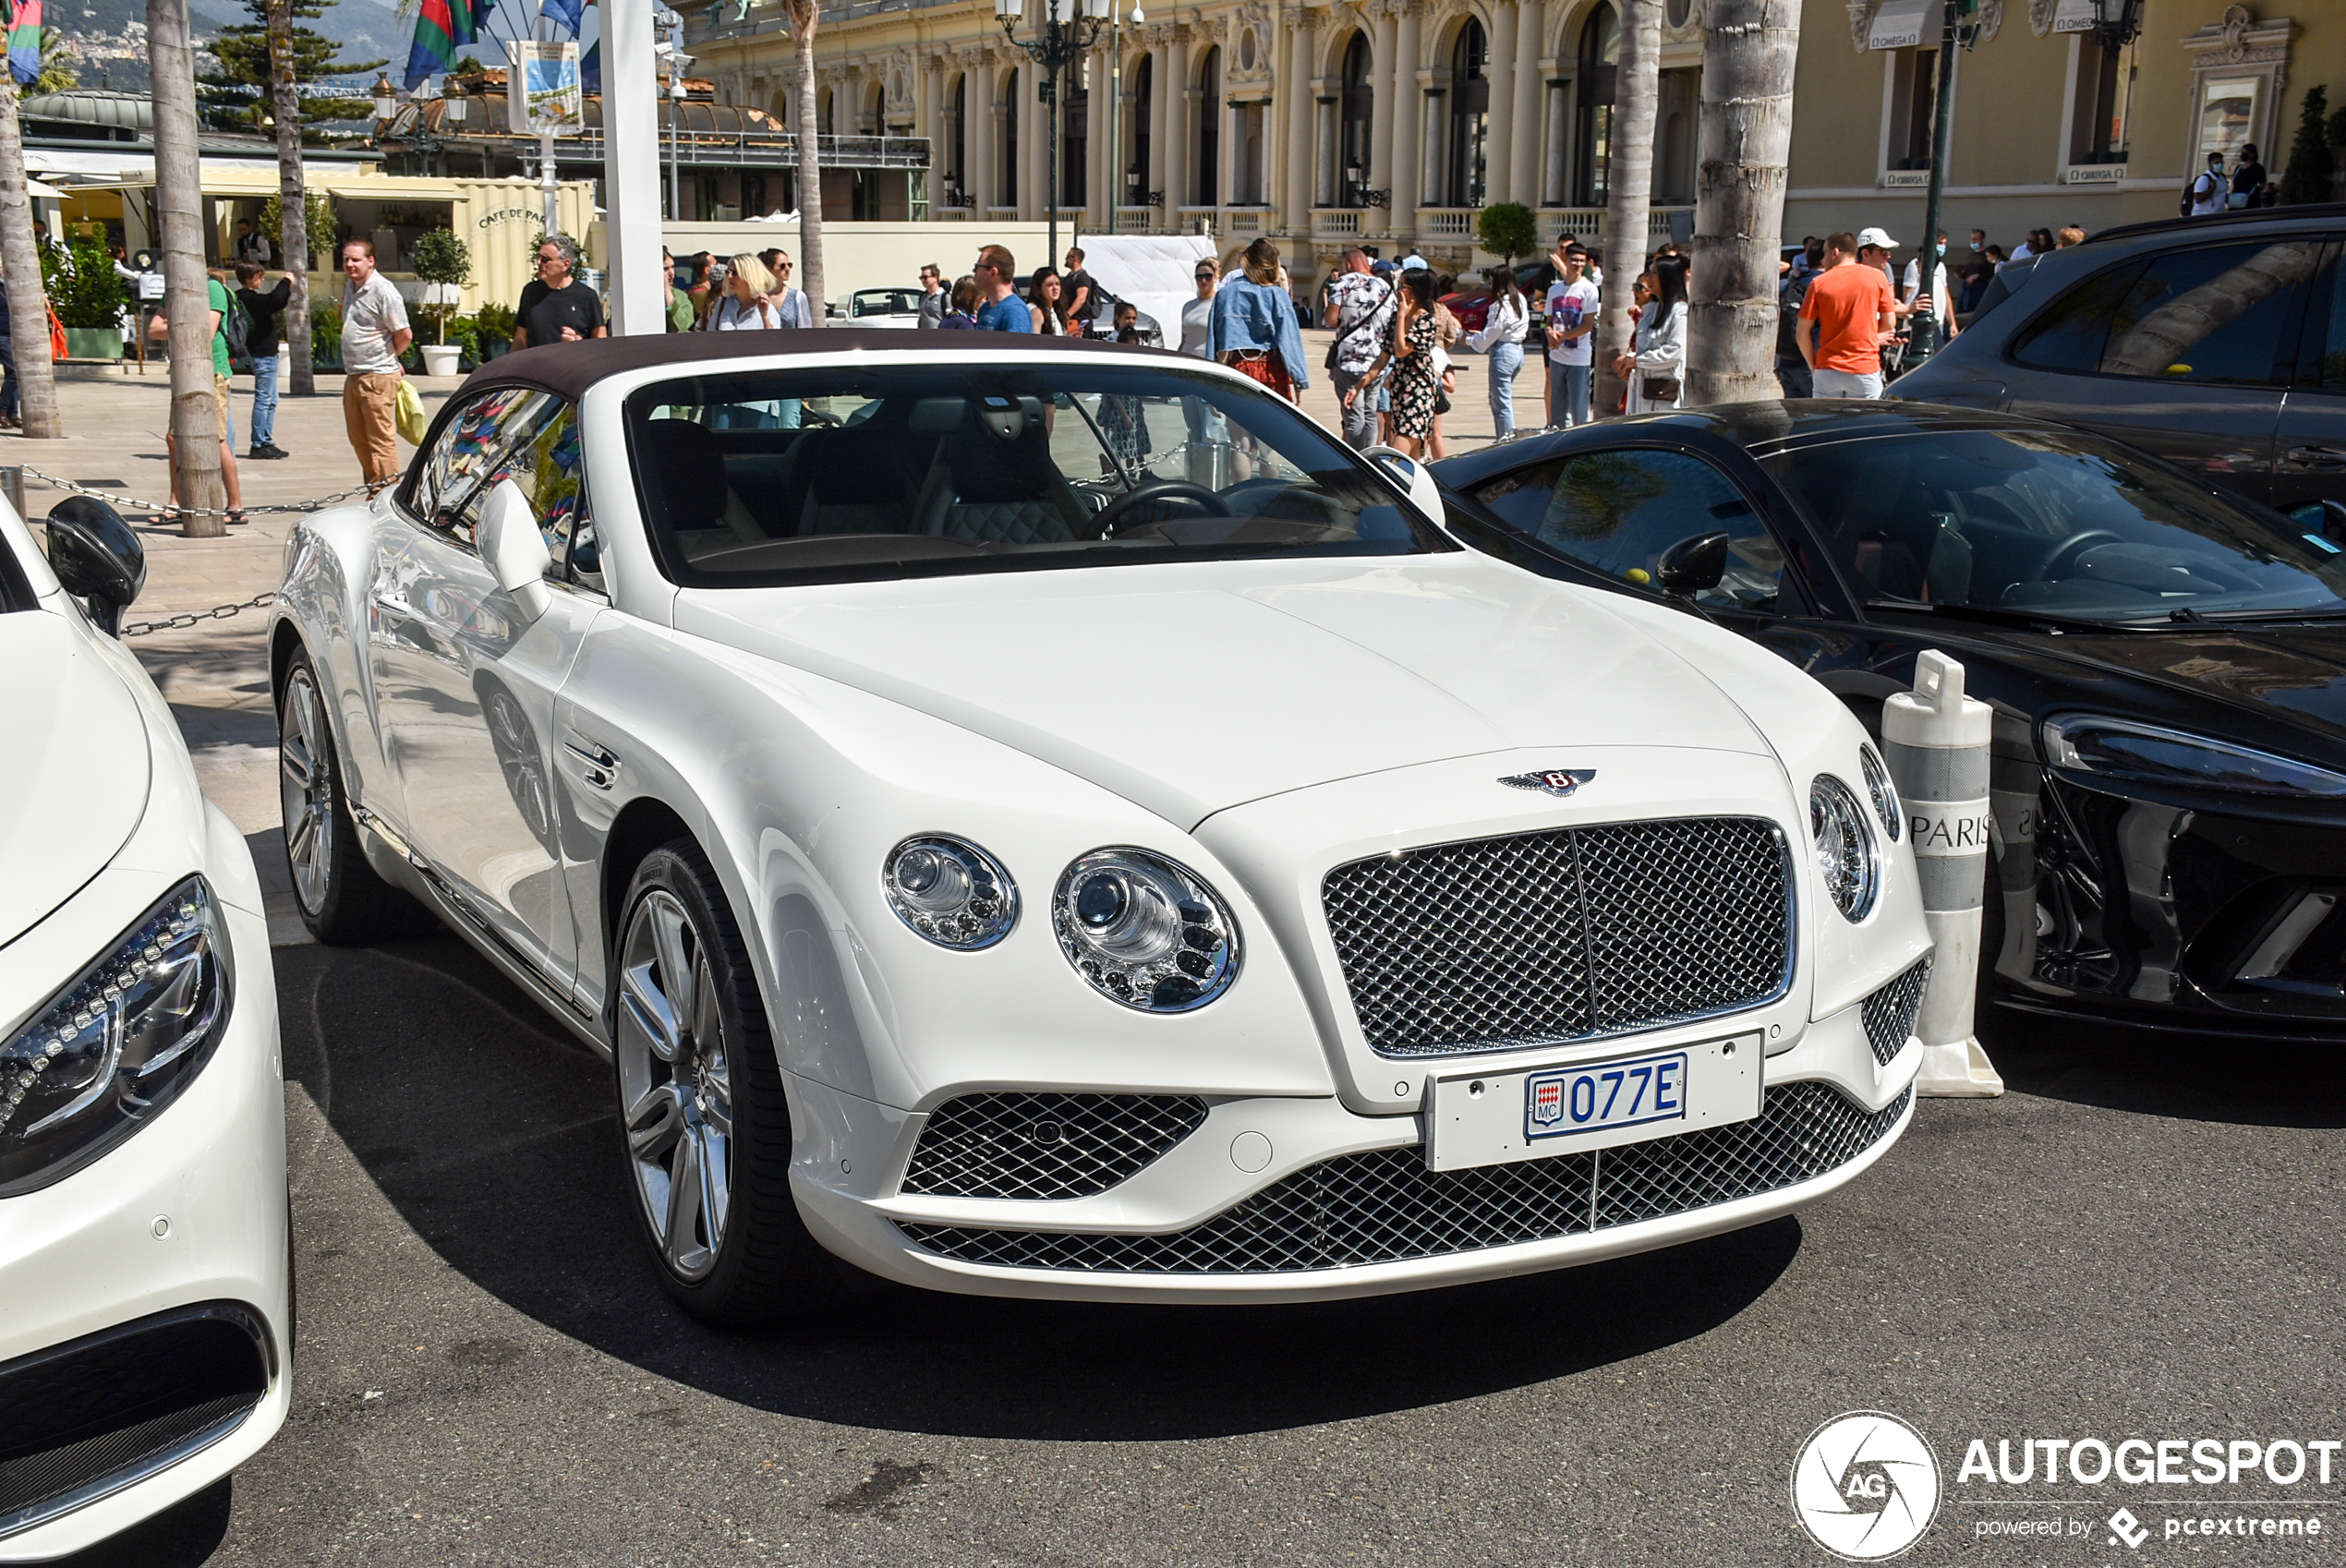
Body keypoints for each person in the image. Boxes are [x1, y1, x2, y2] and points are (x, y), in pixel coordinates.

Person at [163, 270, 247, 524]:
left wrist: (174, 325)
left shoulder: (213, 288)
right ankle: (176, 503)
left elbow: (205, 335)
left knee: (217, 439)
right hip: (183, 373)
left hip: (213, 371)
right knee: (173, 438)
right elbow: (154, 328)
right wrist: (181, 326)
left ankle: (235, 506)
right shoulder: (171, 290)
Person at [339, 237, 411, 486]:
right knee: (358, 438)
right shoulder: (350, 287)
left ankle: (388, 492)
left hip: (377, 375)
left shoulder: (384, 291)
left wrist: (391, 357)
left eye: (356, 260)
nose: (350, 264)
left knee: (380, 439)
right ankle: (373, 488)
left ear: (371, 262)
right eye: (346, 259)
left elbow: (404, 334)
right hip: (354, 374)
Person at [1210, 237, 1312, 403]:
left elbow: (1216, 341)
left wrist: (1212, 382)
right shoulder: (1278, 295)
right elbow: (1289, 341)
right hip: (1271, 370)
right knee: (1272, 427)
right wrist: (1299, 380)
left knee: (1237, 425)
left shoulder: (1225, 294)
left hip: (1237, 369)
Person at [1797, 231, 1895, 400]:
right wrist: (1871, 340)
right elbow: (1890, 322)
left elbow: (1801, 333)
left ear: (1835, 253)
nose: (1822, 260)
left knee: (1826, 423)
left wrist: (1814, 365)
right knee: (1865, 423)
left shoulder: (1819, 283)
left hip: (1828, 368)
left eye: (1825, 253)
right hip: (1865, 367)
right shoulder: (1877, 277)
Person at [1348, 267, 1436, 455]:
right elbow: (1383, 358)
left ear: (1415, 291)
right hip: (1399, 391)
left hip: (1418, 391)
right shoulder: (1397, 319)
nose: (1399, 290)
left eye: (1403, 286)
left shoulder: (1425, 320)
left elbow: (1401, 350)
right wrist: (1359, 385)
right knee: (1410, 459)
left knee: (1398, 453)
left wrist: (1403, 316)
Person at [1323, 247, 1394, 450]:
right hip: (1377, 361)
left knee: (1353, 416)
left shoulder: (1343, 283)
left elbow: (1330, 319)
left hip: (1349, 359)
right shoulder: (1386, 287)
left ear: (1349, 264)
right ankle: (1370, 459)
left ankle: (1357, 462)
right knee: (1371, 412)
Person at [233, 259, 291, 459]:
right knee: (264, 399)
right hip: (262, 355)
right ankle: (258, 443)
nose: (262, 280)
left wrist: (286, 290)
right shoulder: (247, 298)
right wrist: (286, 282)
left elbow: (277, 303)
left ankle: (266, 439)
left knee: (271, 399)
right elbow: (273, 300)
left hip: (268, 355)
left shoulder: (250, 299)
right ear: (249, 278)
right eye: (259, 277)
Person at [513, 233, 608, 351]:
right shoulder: (531, 292)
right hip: (537, 367)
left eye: (545, 259)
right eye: (539, 257)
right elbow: (521, 338)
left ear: (565, 264)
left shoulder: (586, 296)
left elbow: (601, 341)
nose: (538, 262)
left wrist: (579, 343)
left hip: (572, 367)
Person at [1468, 265, 1530, 439]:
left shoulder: (1501, 305)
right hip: (1518, 350)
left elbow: (1492, 333)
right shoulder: (1520, 299)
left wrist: (1469, 340)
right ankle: (1504, 437)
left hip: (1504, 351)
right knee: (1502, 398)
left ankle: (1506, 440)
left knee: (1501, 402)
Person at [1618, 254, 1686, 414]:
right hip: (1641, 394)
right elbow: (1644, 347)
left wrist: (1638, 361)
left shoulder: (1680, 313)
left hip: (1665, 399)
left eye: (1654, 273)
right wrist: (1628, 362)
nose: (1649, 277)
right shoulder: (1649, 312)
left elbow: (1675, 351)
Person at [1543, 243, 1600, 428]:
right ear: (1565, 260)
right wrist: (1550, 332)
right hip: (1557, 357)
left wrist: (1563, 336)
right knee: (1558, 412)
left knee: (1580, 410)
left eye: (1582, 261)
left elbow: (1587, 325)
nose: (1577, 264)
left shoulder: (1589, 289)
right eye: (1574, 260)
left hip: (1579, 359)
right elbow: (1548, 320)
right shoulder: (1554, 290)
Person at [1096, 303, 1152, 470]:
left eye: (1134, 318)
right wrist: (1106, 400)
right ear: (1117, 318)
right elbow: (1108, 376)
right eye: (1127, 318)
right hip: (1117, 398)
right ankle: (1119, 470)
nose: (1131, 322)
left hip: (1131, 398)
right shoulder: (1113, 341)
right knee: (1120, 437)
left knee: (1135, 437)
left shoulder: (1134, 339)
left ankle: (1141, 470)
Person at [1776, 237, 1825, 398]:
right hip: (1808, 363)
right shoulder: (1822, 286)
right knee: (1817, 415)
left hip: (1785, 360)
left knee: (1795, 416)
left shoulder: (1788, 285)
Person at [1900, 231, 1957, 357]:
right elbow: (1908, 297)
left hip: (1928, 332)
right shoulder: (1916, 272)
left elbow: (1908, 309)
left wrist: (1952, 323)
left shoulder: (1933, 279)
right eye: (1940, 243)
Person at [972, 246, 1034, 332]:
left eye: (977, 267)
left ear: (993, 272)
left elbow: (1017, 344)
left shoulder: (1015, 311)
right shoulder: (984, 308)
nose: (974, 271)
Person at [763, 249, 816, 327]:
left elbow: (805, 329)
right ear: (769, 269)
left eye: (789, 265)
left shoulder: (797, 297)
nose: (787, 269)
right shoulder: (759, 297)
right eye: (782, 266)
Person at [1060, 247, 1100, 328]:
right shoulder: (1070, 276)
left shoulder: (1082, 277)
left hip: (1080, 322)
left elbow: (1081, 298)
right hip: (1071, 322)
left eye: (1068, 256)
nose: (1066, 259)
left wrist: (1068, 315)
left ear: (1075, 259)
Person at [1026, 267, 1069, 334]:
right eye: (1050, 285)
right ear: (1039, 289)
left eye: (1057, 284)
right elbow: (1034, 341)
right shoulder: (1036, 311)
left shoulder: (1055, 310)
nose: (1055, 288)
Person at [661, 248, 695, 332]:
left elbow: (684, 325)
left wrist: (667, 291)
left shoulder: (679, 295)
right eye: (665, 269)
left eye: (673, 267)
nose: (671, 273)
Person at [2231, 144, 2270, 209]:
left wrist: (2255, 191)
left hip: (2250, 202)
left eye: (2245, 153)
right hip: (2236, 201)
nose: (2242, 155)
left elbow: (2263, 184)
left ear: (2252, 154)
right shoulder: (2238, 168)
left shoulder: (2257, 168)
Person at [2189, 152, 2229, 216]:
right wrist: (2212, 188)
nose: (2220, 165)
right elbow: (2198, 199)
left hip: (2218, 214)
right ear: (2210, 164)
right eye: (2217, 163)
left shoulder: (2222, 177)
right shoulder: (2204, 179)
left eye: (2222, 163)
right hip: (2203, 215)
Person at [917, 262, 945, 328]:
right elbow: (921, 318)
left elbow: (950, 320)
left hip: (940, 336)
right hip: (924, 336)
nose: (923, 280)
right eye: (921, 278)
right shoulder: (923, 296)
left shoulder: (945, 297)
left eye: (925, 277)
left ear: (935, 278)